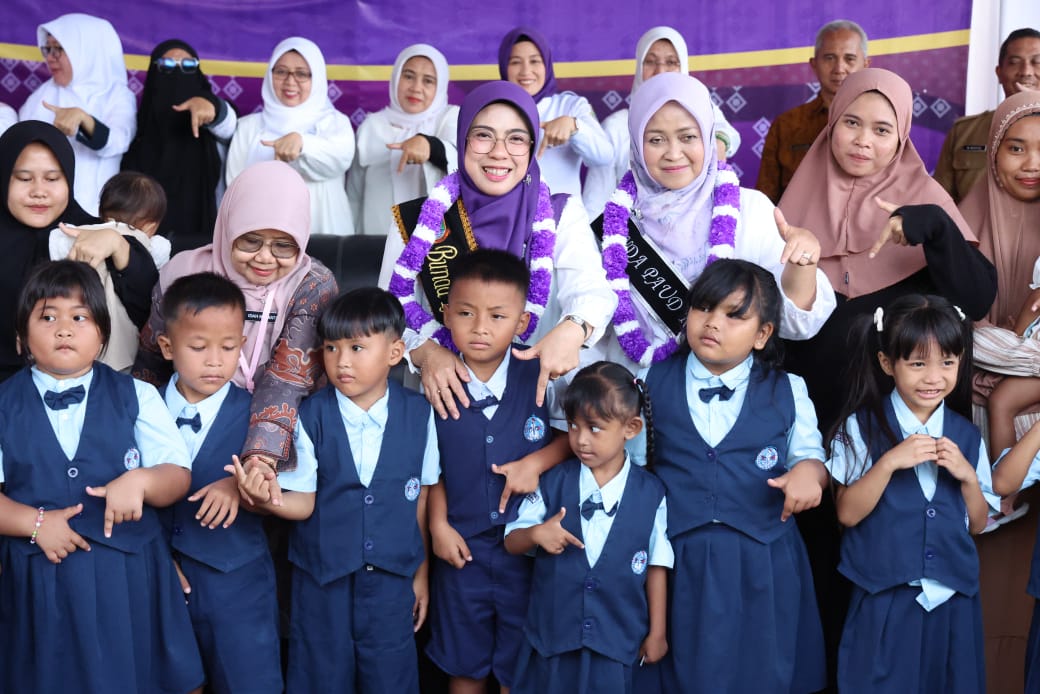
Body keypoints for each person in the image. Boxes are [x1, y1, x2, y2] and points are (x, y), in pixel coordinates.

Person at [0, 260, 203, 694]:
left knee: (131, 675)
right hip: (40, 579)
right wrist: (33, 523)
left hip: (126, 575)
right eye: (47, 317)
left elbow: (177, 473)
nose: (64, 330)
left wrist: (142, 481)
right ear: (21, 337)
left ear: (102, 335)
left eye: (79, 318)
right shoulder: (3, 403)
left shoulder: (138, 395)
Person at [233, 287, 439, 694]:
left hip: (392, 581)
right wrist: (264, 498)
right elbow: (303, 502)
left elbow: (421, 498)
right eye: (331, 348)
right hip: (321, 582)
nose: (341, 361)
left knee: (391, 678)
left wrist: (421, 574)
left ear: (395, 353)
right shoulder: (310, 414)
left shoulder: (419, 413)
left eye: (357, 348)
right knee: (320, 677)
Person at [641, 259, 827, 693]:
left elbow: (811, 458)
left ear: (762, 334)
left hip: (762, 561)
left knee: (759, 673)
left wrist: (808, 474)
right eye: (704, 308)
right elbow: (632, 469)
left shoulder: (788, 388)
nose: (713, 323)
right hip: (678, 561)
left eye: (734, 315)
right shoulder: (650, 381)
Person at [379, 80, 616, 421]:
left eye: (516, 138)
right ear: (462, 140)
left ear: (533, 147)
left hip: (533, 407)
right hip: (440, 408)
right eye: (483, 135)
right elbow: (387, 312)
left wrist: (573, 328)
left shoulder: (560, 214)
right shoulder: (417, 219)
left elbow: (592, 292)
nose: (499, 152)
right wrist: (425, 352)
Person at [588, 71, 835, 373]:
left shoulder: (749, 209)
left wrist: (802, 266)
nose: (673, 153)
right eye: (656, 140)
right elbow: (595, 325)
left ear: (708, 136)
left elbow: (796, 326)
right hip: (634, 389)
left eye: (688, 137)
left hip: (728, 392)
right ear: (637, 145)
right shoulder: (613, 225)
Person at [826, 293, 995, 694]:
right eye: (918, 364)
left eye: (947, 363)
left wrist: (968, 477)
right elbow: (846, 513)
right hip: (884, 596)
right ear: (888, 363)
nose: (933, 377)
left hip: (952, 598)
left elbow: (978, 523)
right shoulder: (861, 427)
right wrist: (888, 463)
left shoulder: (967, 436)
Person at [133, 160, 338, 479]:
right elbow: (151, 362)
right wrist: (135, 428)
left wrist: (258, 462)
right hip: (189, 417)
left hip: (285, 432)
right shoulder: (182, 272)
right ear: (229, 227)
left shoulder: (313, 285)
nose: (265, 258)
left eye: (284, 246)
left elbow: (286, 381)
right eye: (250, 241)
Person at [426, 250, 571, 694]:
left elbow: (574, 439)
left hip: (527, 549)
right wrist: (438, 526)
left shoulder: (542, 375)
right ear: (446, 314)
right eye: (466, 313)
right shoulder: (435, 382)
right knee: (463, 665)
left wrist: (535, 463)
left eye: (497, 316)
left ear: (523, 322)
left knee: (519, 666)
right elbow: (431, 470)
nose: (480, 328)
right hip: (460, 549)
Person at [505, 360, 670, 694]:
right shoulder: (553, 482)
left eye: (594, 428)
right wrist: (535, 534)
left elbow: (657, 564)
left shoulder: (651, 493)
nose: (580, 440)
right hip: (554, 641)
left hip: (616, 643)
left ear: (631, 428)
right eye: (573, 426)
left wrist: (658, 632)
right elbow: (511, 540)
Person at [155, 272, 283, 694]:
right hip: (158, 582)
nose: (214, 360)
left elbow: (288, 491)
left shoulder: (262, 417)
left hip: (238, 588)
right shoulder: (140, 409)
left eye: (228, 347)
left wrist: (243, 488)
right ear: (167, 347)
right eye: (198, 347)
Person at [0, 120, 158, 383]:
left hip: (87, 389)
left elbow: (149, 307)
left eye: (52, 179)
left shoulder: (96, 233)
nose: (39, 191)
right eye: (24, 179)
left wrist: (118, 245)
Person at [582, 26, 741, 219]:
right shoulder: (616, 126)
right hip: (632, 234)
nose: (660, 71)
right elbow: (595, 202)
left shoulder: (701, 111)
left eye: (671, 62)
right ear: (639, 67)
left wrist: (719, 141)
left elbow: (727, 134)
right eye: (650, 62)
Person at [226, 37, 355, 236]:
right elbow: (234, 188)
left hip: (325, 231)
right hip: (263, 236)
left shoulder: (335, 122)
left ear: (317, 78)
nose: (290, 81)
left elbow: (339, 160)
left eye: (301, 74)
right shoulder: (248, 127)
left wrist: (302, 143)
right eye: (281, 72)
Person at [122, 39, 238, 251]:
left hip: (203, 243)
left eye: (188, 65)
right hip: (146, 245)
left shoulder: (212, 124)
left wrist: (211, 105)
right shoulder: (134, 126)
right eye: (166, 65)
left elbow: (229, 126)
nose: (178, 72)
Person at [18, 13, 137, 215]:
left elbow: (119, 141)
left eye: (59, 49)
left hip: (93, 209)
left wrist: (84, 121)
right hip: (40, 206)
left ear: (86, 50)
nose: (50, 57)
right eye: (48, 49)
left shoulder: (116, 95)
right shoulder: (42, 95)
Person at [51, 171, 170, 372]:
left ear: (101, 214)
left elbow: (56, 241)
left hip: (74, 339)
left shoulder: (76, 237)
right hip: (124, 352)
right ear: (151, 226)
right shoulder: (154, 248)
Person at [348, 44, 459, 236]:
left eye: (428, 81)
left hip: (433, 243)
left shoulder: (450, 118)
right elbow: (354, 194)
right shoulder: (372, 125)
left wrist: (430, 146)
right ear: (396, 77)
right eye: (408, 76)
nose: (416, 88)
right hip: (375, 239)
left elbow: (461, 161)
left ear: (440, 86)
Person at [755, 20, 870, 204]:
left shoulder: (880, 127)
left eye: (849, 59)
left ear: (866, 64)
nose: (839, 69)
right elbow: (765, 200)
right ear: (814, 64)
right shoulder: (787, 125)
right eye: (829, 58)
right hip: (794, 221)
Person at [498, 27, 613, 198]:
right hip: (508, 212)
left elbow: (604, 156)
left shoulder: (572, 105)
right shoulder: (492, 110)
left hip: (562, 214)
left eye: (535, 61)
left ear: (547, 64)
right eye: (515, 62)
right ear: (504, 67)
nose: (525, 71)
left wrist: (574, 127)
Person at [934, 28, 1040, 203]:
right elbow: (940, 204)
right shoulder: (964, 131)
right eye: (1014, 62)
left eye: (1037, 62)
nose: (1026, 71)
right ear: (999, 73)